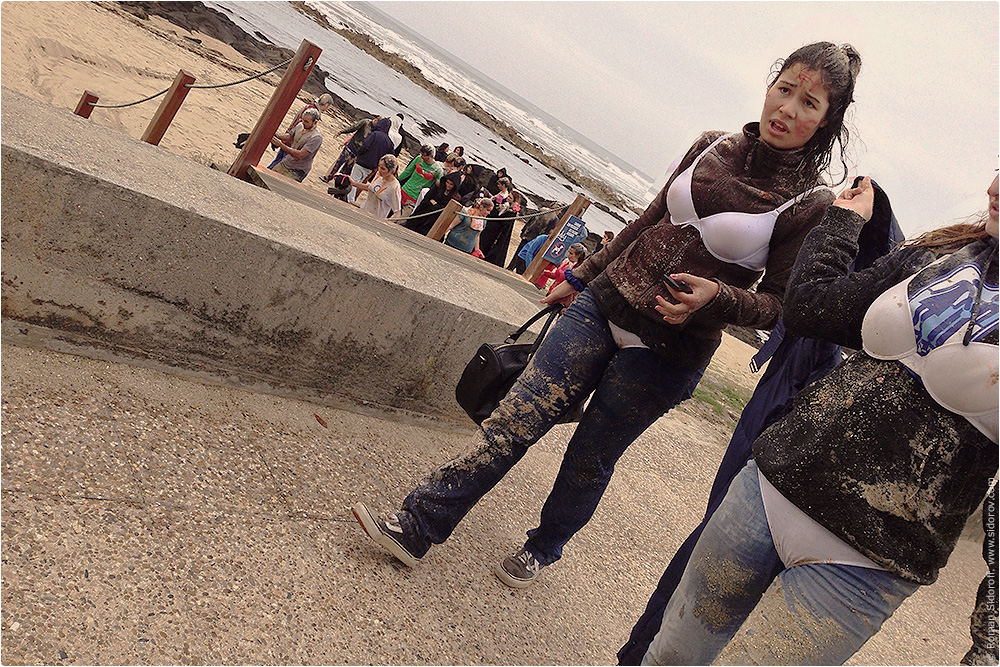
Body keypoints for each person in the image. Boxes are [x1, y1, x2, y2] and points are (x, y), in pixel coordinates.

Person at [352, 42, 862, 591]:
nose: (788, 109)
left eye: (809, 103)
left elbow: (780, 306)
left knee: (589, 456)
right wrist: (577, 278)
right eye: (784, 89)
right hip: (606, 300)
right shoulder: (712, 146)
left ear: (827, 120)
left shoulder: (811, 202)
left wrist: (717, 296)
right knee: (516, 418)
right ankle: (419, 524)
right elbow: (646, 223)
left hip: (670, 349)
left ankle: (544, 546)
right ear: (770, 85)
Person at [642, 173, 998, 666]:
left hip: (870, 561)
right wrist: (843, 223)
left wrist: (989, 641)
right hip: (771, 486)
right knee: (669, 657)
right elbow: (810, 309)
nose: (995, 187)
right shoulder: (939, 255)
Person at [617, 178, 905, 665]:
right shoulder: (930, 261)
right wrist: (848, 225)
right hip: (796, 426)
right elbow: (805, 305)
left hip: (863, 521)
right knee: (702, 582)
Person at [347, 117, 394, 204]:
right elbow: (390, 156)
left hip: (362, 161)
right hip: (373, 166)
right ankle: (351, 198)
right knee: (360, 182)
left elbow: (365, 146)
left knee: (354, 180)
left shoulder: (374, 134)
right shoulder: (389, 142)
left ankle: (350, 200)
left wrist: (359, 153)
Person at [268, 108, 323, 182]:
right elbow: (290, 137)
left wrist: (281, 145)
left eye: (306, 122)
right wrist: (277, 135)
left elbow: (300, 155)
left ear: (315, 122)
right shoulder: (300, 125)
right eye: (302, 120)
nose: (303, 123)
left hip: (297, 170)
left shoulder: (316, 137)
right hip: (287, 162)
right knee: (268, 177)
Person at [320, 116, 377, 182]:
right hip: (351, 147)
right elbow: (353, 128)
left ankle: (339, 182)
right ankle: (328, 177)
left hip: (357, 153)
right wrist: (341, 132)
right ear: (375, 120)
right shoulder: (365, 122)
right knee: (338, 163)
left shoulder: (376, 131)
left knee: (346, 170)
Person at [398, 144, 444, 218]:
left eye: (424, 155)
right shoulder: (419, 158)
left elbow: (438, 186)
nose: (422, 157)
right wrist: (397, 179)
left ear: (431, 156)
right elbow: (407, 172)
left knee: (401, 219)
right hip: (404, 189)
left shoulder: (438, 170)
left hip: (415, 197)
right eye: (421, 154)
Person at [351, 154, 401, 220]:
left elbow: (397, 213)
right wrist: (353, 183)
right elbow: (370, 187)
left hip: (375, 219)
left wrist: (385, 223)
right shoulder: (378, 175)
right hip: (363, 211)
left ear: (391, 171)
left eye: (383, 169)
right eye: (379, 166)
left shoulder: (394, 187)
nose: (379, 170)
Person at [480, 188, 522, 267]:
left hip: (498, 229)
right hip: (491, 225)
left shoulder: (512, 210)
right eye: (508, 196)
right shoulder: (503, 203)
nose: (508, 198)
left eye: (510, 198)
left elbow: (505, 221)